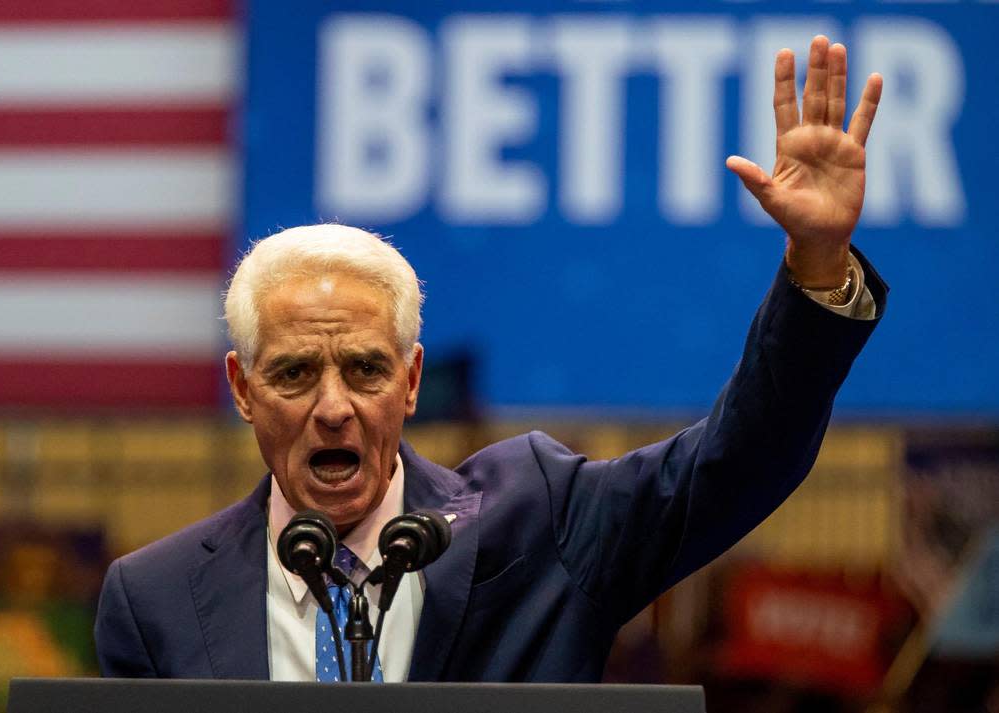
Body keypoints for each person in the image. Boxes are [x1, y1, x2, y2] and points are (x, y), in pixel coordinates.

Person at [95, 36, 887, 682]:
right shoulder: (154, 598)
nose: (333, 406)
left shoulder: (539, 523)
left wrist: (816, 264)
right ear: (242, 386)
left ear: (410, 381)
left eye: (366, 370)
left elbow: (740, 460)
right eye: (295, 373)